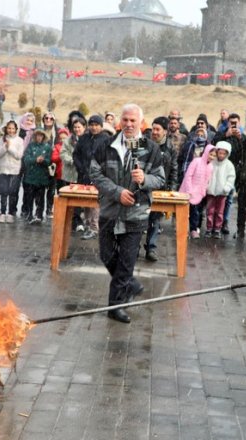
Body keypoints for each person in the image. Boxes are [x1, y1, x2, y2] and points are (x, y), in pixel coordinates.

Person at [89, 103, 165, 323]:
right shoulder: (106, 145)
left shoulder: (150, 148)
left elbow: (160, 178)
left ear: (141, 122)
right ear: (119, 121)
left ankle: (116, 305)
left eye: (133, 120)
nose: (129, 124)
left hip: (136, 213)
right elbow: (95, 174)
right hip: (110, 209)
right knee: (106, 254)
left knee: (126, 261)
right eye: (125, 120)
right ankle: (130, 285)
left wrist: (144, 180)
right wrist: (117, 192)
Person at [144, 116, 180, 262]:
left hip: (160, 189)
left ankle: (151, 248)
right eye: (153, 128)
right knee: (139, 219)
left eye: (158, 129)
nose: (154, 132)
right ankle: (132, 248)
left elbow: (174, 170)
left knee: (155, 221)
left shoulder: (171, 148)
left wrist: (172, 189)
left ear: (165, 131)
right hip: (143, 187)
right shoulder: (143, 143)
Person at [75, 115, 109, 239]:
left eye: (96, 125)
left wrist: (100, 170)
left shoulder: (106, 139)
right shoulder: (84, 138)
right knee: (86, 201)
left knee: (95, 201)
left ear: (101, 126)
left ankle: (94, 227)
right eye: (92, 125)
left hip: (99, 176)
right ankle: (88, 225)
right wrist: (80, 167)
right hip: (84, 174)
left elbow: (108, 158)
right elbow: (76, 154)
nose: (94, 127)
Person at [180, 144, 215, 239]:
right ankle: (182, 230)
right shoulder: (196, 161)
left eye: (214, 155)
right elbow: (188, 175)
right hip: (188, 191)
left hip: (198, 194)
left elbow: (206, 181)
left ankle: (193, 230)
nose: (212, 157)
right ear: (206, 153)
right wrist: (189, 190)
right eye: (210, 154)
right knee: (184, 212)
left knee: (195, 213)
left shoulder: (210, 167)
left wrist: (203, 191)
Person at [205, 141, 236, 239]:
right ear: (217, 152)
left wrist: (226, 188)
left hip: (222, 193)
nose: (221, 155)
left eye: (224, 153)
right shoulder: (212, 162)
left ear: (227, 154)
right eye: (220, 153)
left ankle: (217, 228)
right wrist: (206, 186)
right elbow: (206, 175)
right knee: (210, 210)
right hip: (210, 191)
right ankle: (209, 228)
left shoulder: (229, 165)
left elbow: (231, 178)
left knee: (219, 212)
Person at [22, 130, 53, 224]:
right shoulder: (30, 146)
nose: (39, 137)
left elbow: (49, 162)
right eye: (37, 135)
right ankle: (29, 214)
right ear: (35, 136)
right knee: (29, 197)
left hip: (42, 178)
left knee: (40, 198)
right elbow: (26, 159)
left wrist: (43, 161)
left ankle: (39, 215)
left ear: (44, 137)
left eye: (41, 136)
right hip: (30, 177)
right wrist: (35, 159)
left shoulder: (47, 147)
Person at [0, 120, 24, 224]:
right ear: (6, 129)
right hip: (3, 169)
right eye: (9, 128)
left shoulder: (20, 141)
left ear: (16, 129)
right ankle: (2, 212)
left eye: (13, 128)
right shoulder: (1, 139)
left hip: (14, 170)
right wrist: (5, 147)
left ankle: (11, 213)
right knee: (3, 192)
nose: (11, 130)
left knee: (13, 192)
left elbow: (18, 156)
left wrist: (10, 147)